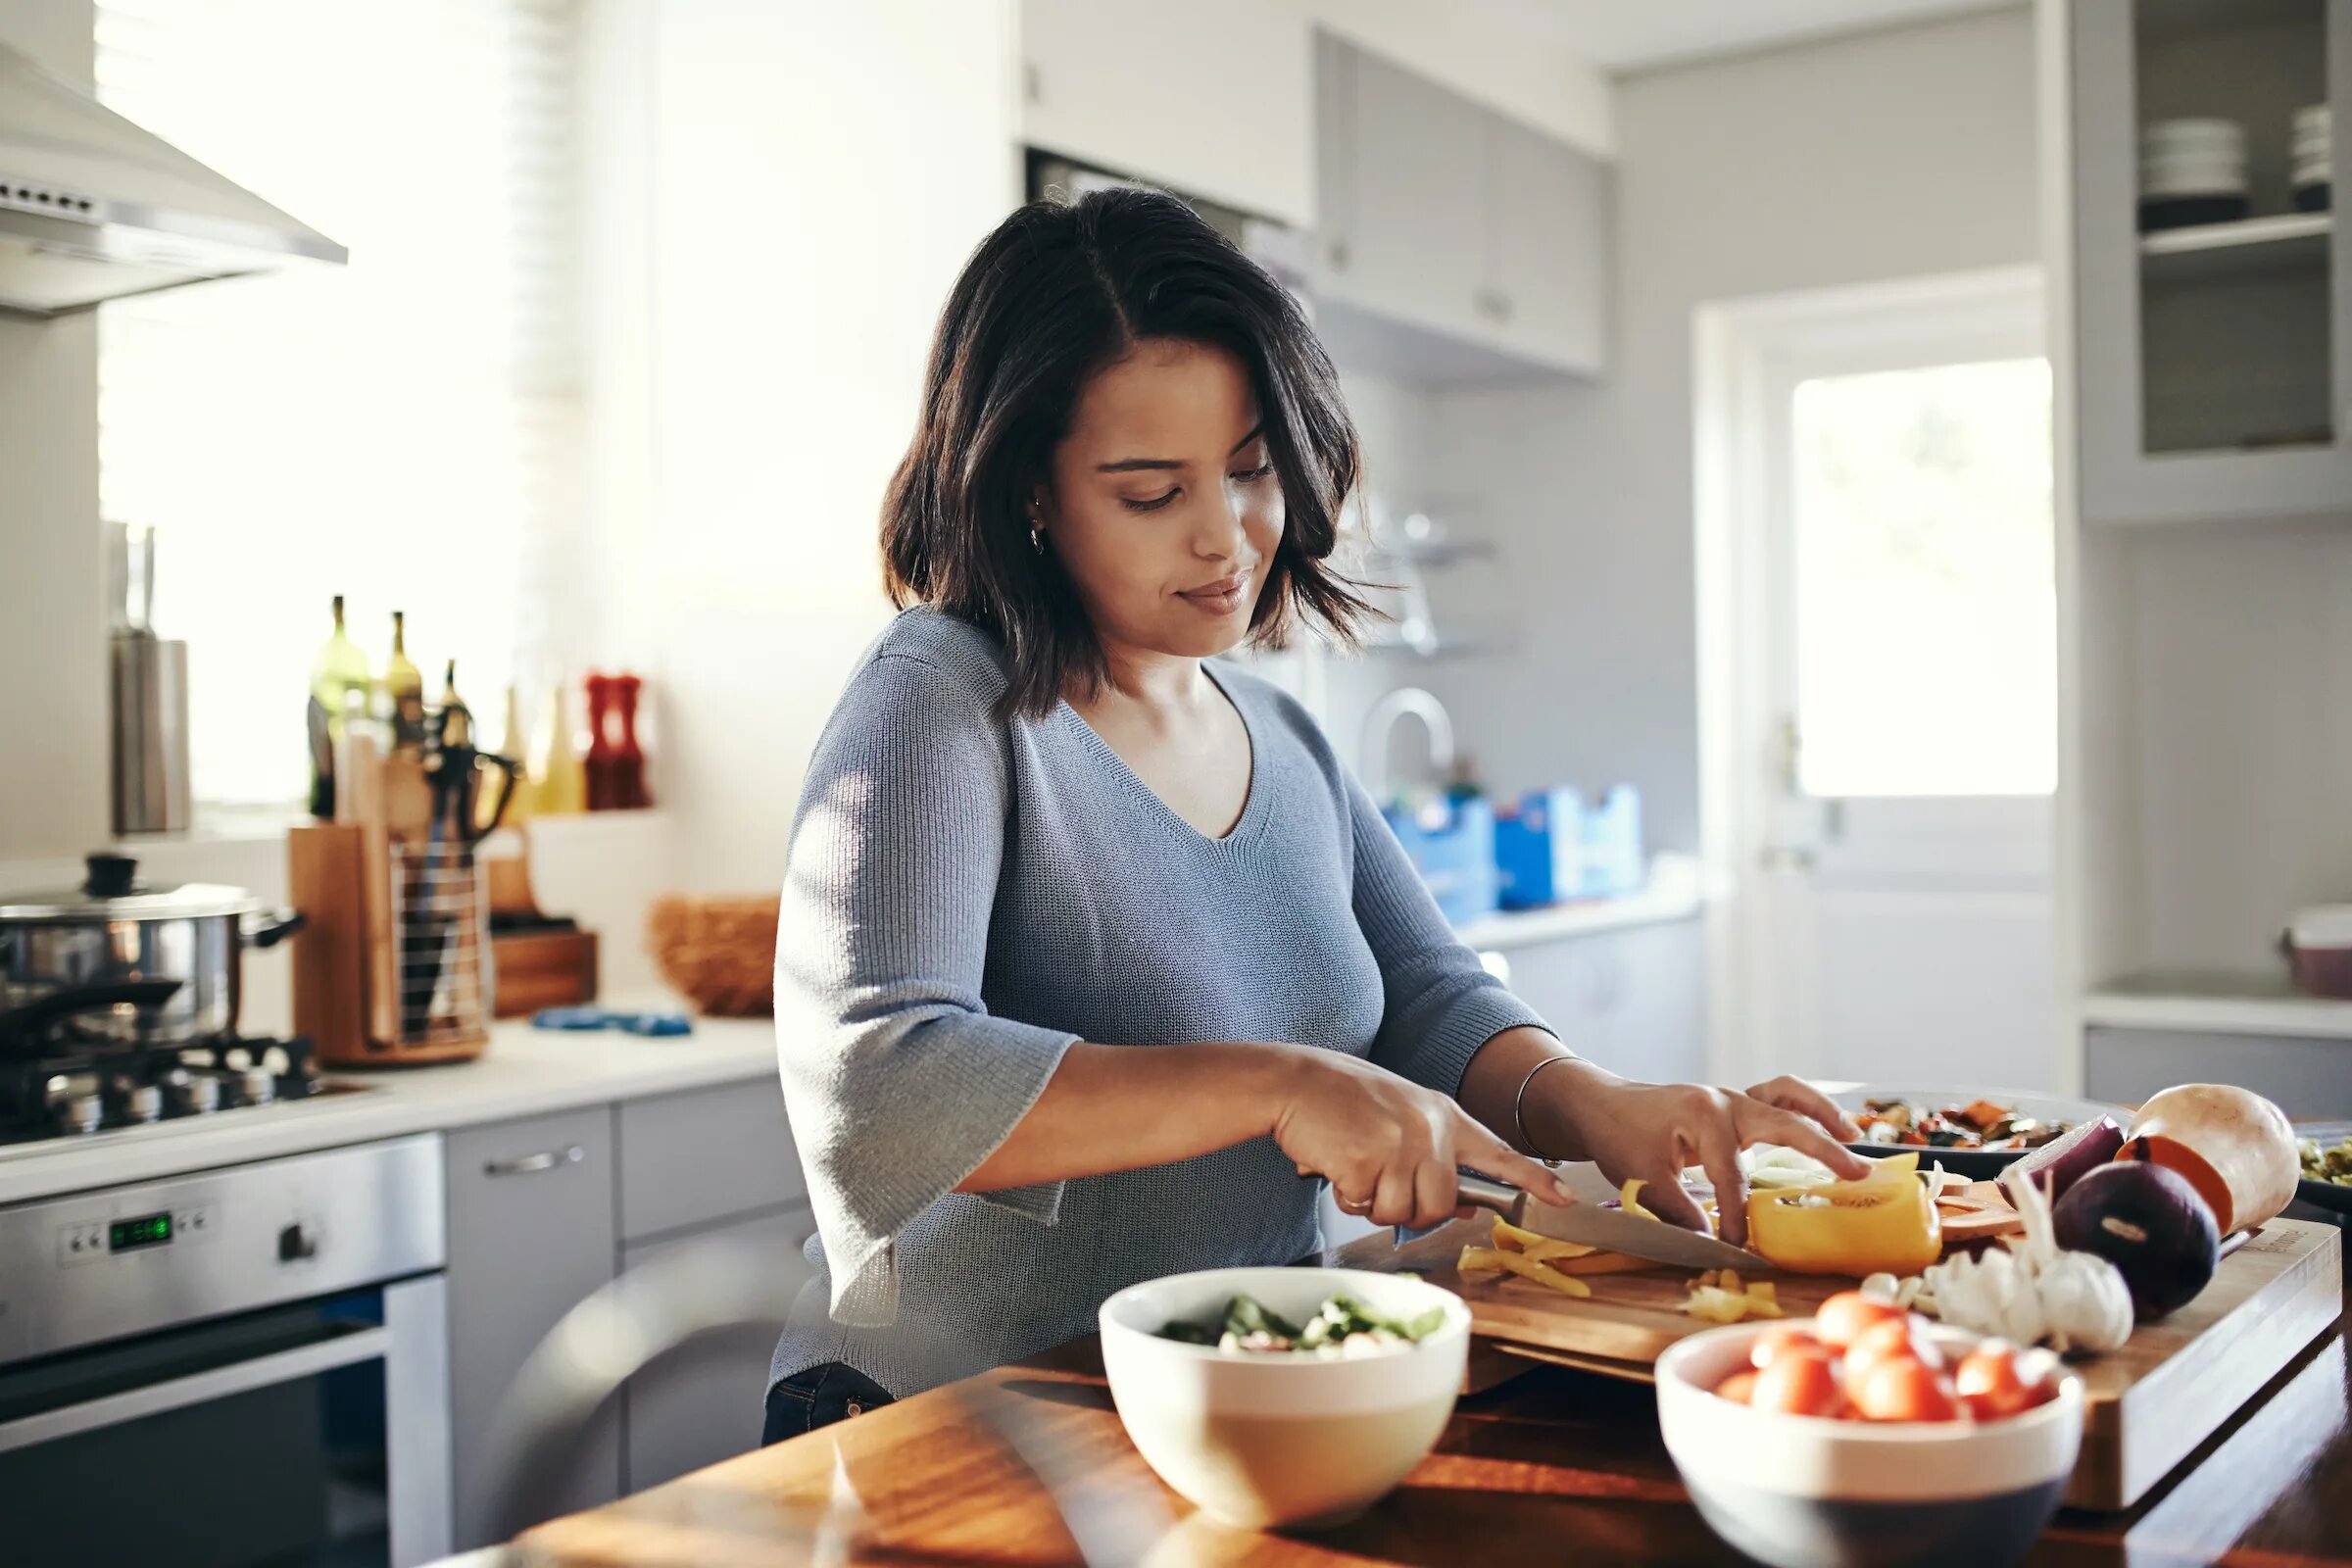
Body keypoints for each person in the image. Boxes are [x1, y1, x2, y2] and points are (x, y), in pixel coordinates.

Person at [762, 187, 1866, 1441]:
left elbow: (1431, 1001)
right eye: (1148, 492)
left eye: (1250, 470)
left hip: (1223, 1404)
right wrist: (1281, 1083)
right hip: (956, 1417)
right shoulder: (936, 699)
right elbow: (875, 1080)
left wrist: (1597, 1107)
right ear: (1029, 489)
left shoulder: (1276, 732)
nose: (1228, 537)